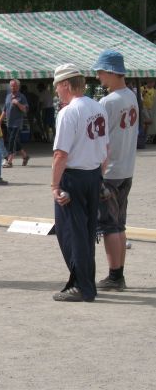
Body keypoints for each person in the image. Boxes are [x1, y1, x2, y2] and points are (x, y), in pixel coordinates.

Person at [51, 63, 108, 302]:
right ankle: (87, 282)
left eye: (57, 87)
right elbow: (106, 149)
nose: (56, 92)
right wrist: (99, 177)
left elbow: (61, 154)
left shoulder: (68, 112)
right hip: (93, 174)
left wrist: (54, 186)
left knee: (70, 233)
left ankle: (81, 286)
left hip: (73, 178)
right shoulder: (99, 108)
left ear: (65, 85)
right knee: (86, 233)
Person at [92, 50, 139, 291]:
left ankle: (114, 276)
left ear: (111, 71)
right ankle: (118, 273)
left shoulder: (107, 102)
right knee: (120, 224)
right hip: (127, 168)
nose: (98, 76)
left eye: (100, 72)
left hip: (109, 171)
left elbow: (100, 140)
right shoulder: (131, 96)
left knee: (110, 225)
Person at [0, 79, 30, 168]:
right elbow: (4, 110)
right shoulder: (8, 96)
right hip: (9, 122)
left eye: (15, 86)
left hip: (17, 123)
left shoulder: (22, 97)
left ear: (18, 86)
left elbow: (25, 110)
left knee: (12, 141)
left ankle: (9, 161)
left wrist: (18, 103)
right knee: (15, 142)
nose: (13, 87)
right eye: (12, 86)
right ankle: (25, 156)